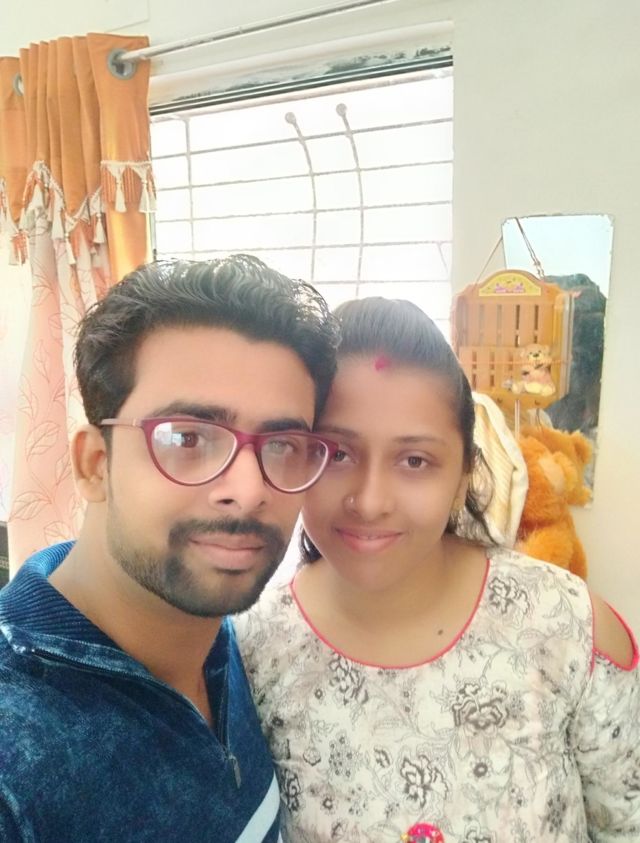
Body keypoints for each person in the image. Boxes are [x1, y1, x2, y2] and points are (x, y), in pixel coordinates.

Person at [235, 297, 640, 843]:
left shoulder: (565, 625)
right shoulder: (252, 652)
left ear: (463, 473)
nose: (370, 501)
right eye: (337, 453)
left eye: (414, 461)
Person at [0, 255, 340, 842]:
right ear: (94, 464)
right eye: (188, 438)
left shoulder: (229, 642)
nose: (248, 491)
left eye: (283, 445)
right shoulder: (17, 755)